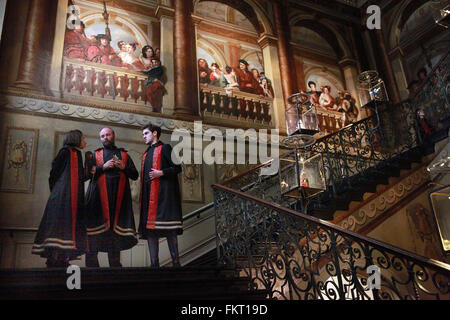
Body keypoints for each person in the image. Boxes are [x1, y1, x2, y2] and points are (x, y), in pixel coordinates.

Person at [32, 130, 88, 268]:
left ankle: (64, 258)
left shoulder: (78, 154)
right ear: (76, 139)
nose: (85, 142)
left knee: (69, 227)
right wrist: (58, 193)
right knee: (58, 227)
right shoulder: (64, 152)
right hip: (62, 198)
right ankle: (53, 259)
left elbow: (80, 178)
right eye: (83, 139)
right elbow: (54, 174)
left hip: (74, 200)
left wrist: (90, 172)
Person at [85, 127, 139, 267]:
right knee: (94, 234)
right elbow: (86, 174)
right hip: (97, 201)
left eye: (108, 135)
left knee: (115, 237)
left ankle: (115, 269)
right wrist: (103, 167)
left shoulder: (124, 155)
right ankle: (92, 270)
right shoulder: (94, 155)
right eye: (102, 136)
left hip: (118, 201)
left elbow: (135, 175)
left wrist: (124, 167)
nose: (105, 138)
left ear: (113, 135)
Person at [139, 124, 183, 268]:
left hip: (164, 197)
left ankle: (176, 263)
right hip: (149, 199)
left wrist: (161, 172)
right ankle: (154, 265)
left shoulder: (165, 148)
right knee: (151, 232)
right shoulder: (146, 153)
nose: (143, 136)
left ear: (155, 133)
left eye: (146, 133)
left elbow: (177, 167)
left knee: (169, 229)